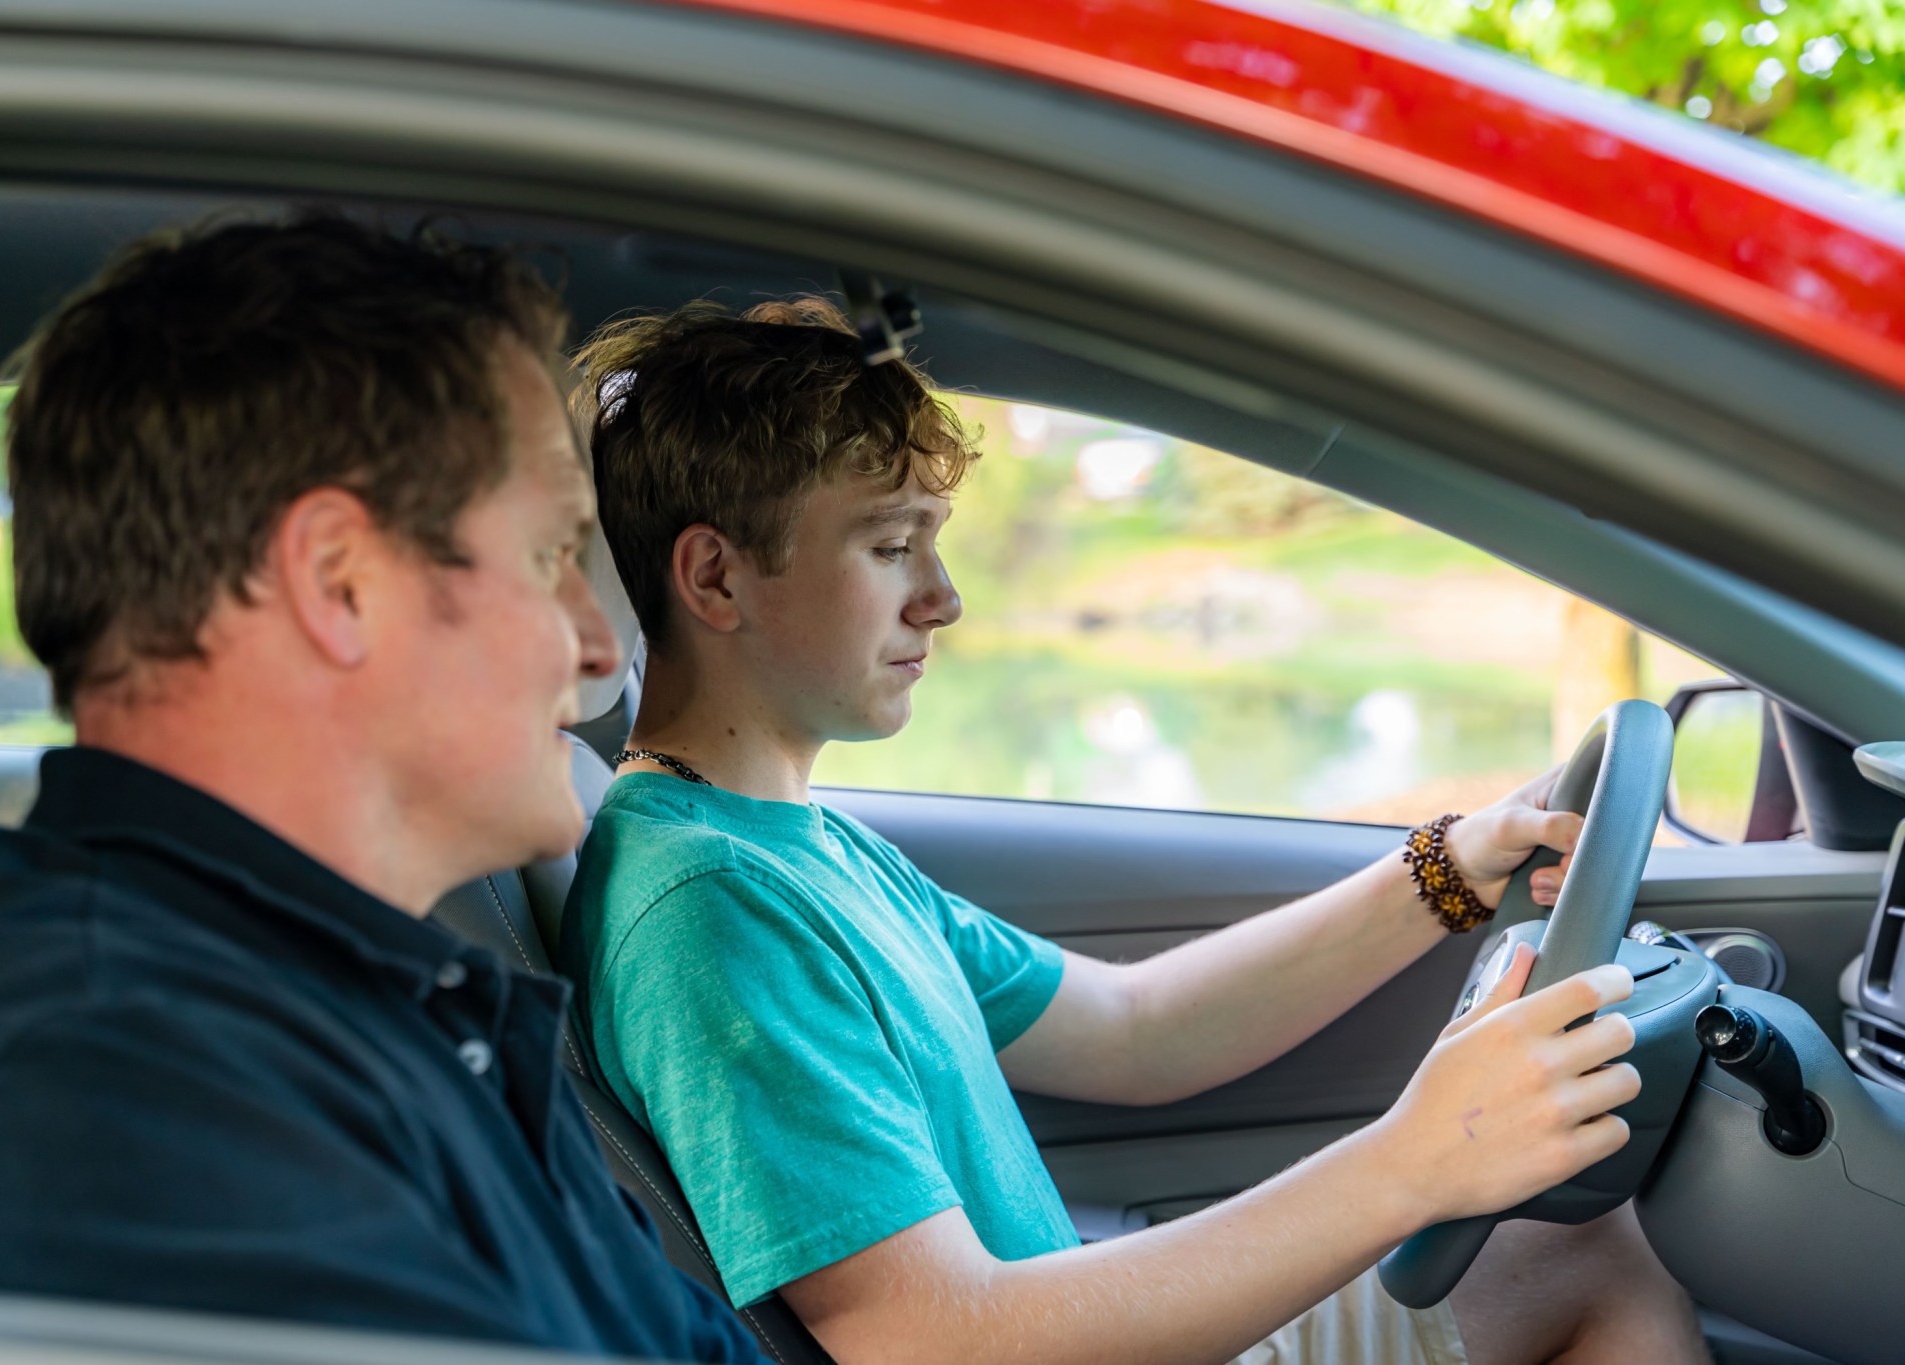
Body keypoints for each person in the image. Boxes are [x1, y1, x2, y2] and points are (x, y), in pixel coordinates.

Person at [560, 297, 1708, 1364]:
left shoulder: (800, 845)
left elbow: (1133, 1029)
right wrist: (1415, 1162)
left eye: (935, 541)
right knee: (1580, 1254)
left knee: (1576, 1245)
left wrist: (1440, 873)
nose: (942, 596)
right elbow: (923, 1337)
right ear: (714, 576)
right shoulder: (707, 905)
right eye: (888, 544)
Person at [0, 215, 763, 1360]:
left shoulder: (377, 989)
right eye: (549, 559)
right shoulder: (112, 1097)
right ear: (339, 583)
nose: (597, 652)